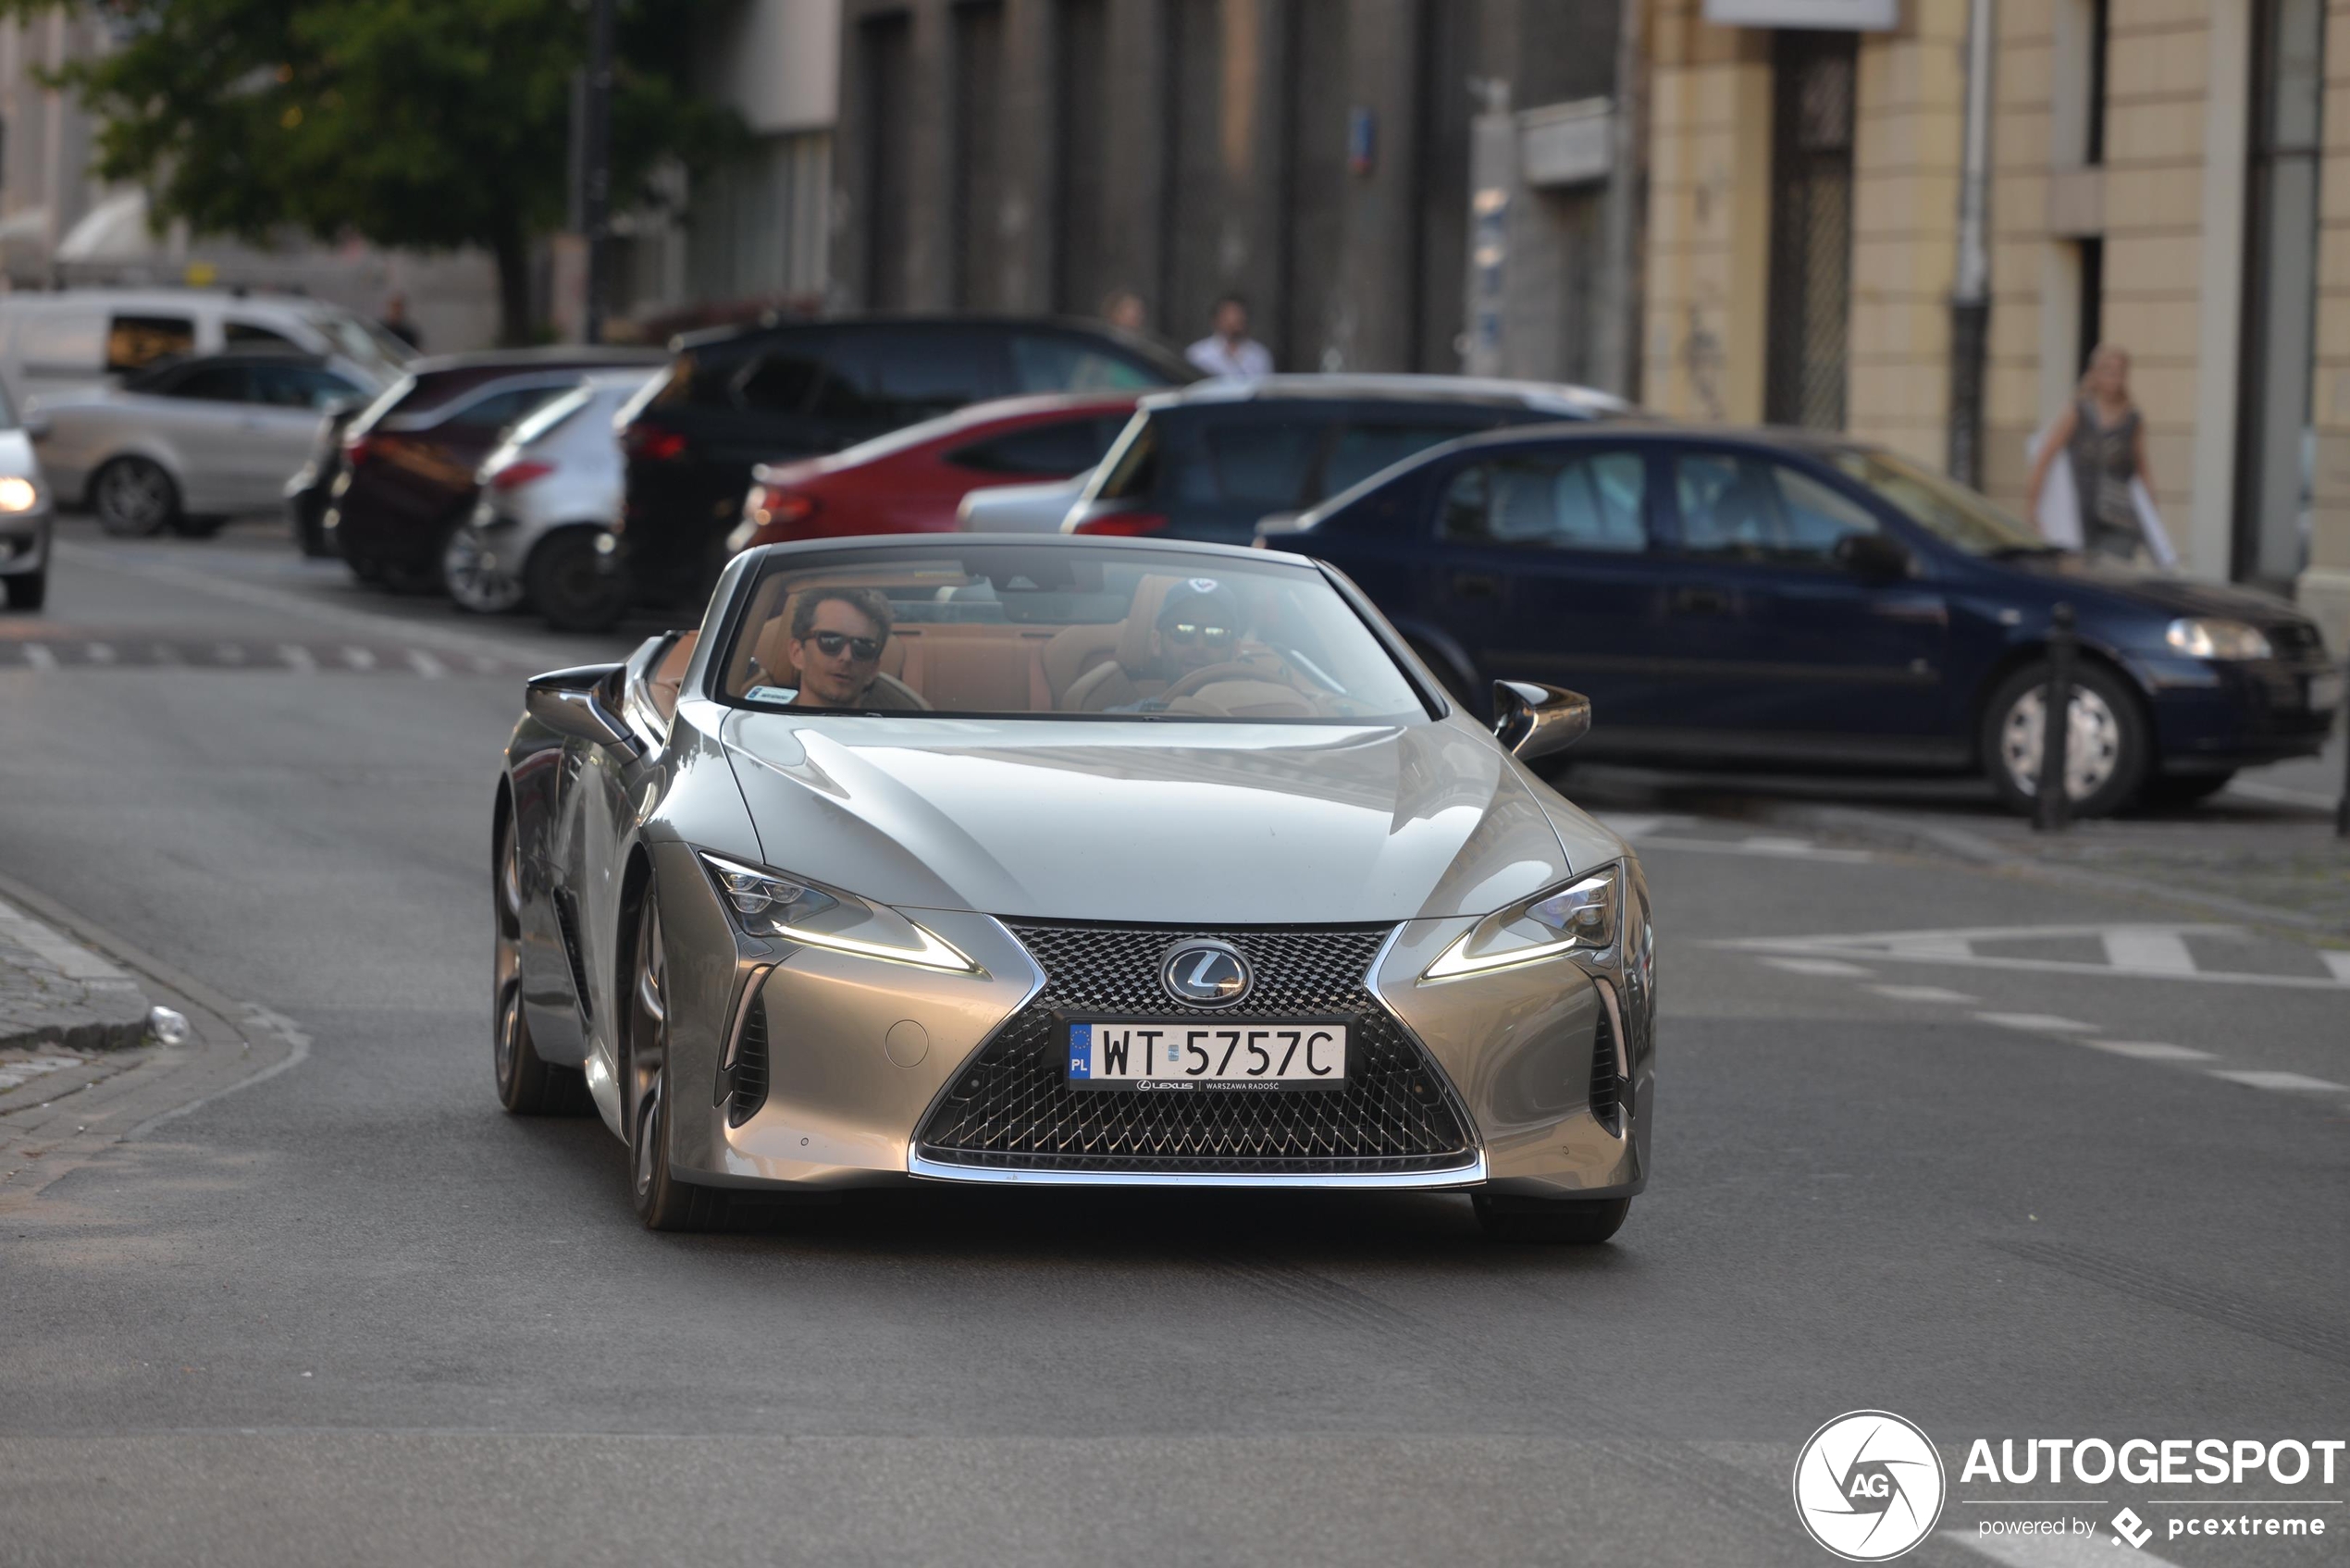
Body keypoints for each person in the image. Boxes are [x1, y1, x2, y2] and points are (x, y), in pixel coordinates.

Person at [2026, 343, 2157, 562]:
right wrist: (2032, 508)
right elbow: (2044, 457)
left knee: (2114, 578)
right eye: (2108, 371)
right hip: (2079, 518)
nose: (2114, 378)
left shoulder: (2133, 419)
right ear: (2095, 373)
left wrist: (2153, 520)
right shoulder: (2078, 412)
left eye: (2119, 372)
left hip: (2120, 520)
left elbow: (2143, 469)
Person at [784, 586, 912, 710]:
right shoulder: (765, 722)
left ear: (873, 669)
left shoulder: (903, 725)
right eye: (831, 640)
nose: (847, 657)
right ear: (797, 653)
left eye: (862, 647)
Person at [1185, 294, 1273, 381]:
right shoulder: (1198, 354)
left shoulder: (1259, 355)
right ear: (1216, 320)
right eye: (1228, 316)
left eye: (1238, 315)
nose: (1233, 321)